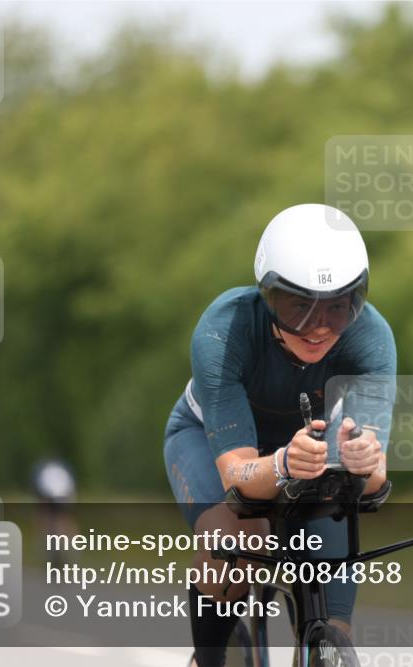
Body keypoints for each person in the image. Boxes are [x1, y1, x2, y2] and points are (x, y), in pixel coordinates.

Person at [163, 203, 396, 667]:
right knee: (239, 532)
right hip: (210, 442)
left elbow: (373, 481)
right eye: (298, 307)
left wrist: (363, 461)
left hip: (310, 452)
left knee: (332, 601)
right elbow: (238, 477)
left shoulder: (371, 337)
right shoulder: (223, 330)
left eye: (338, 306)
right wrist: (282, 464)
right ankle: (210, 659)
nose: (319, 327)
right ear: (267, 296)